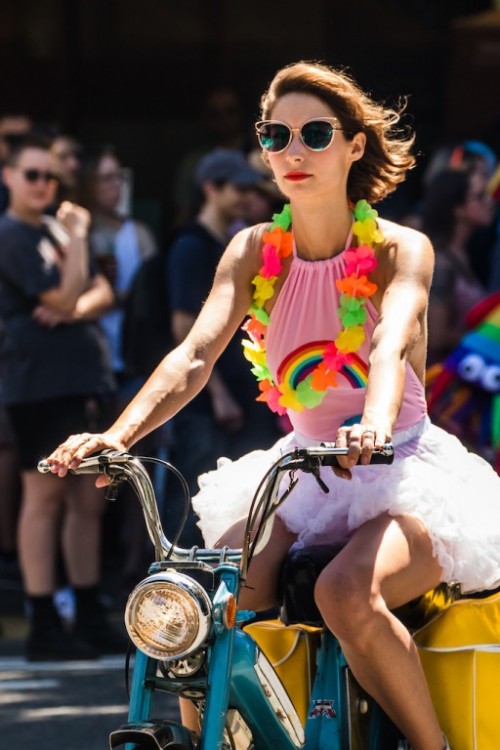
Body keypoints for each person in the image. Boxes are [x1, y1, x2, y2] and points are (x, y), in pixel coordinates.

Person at [45, 61, 500, 750]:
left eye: (316, 133)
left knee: (344, 593)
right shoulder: (253, 251)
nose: (293, 149)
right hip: (303, 473)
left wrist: (372, 426)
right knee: (195, 602)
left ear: (353, 146)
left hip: (403, 467)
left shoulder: (398, 249)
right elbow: (194, 356)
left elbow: (389, 343)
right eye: (275, 133)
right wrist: (117, 435)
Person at [0, 133, 127, 660]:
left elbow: (99, 292)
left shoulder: (54, 228)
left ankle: (88, 613)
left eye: (50, 176)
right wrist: (77, 242)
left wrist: (74, 307)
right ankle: (44, 620)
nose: (43, 185)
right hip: (37, 385)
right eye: (32, 175)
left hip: (81, 381)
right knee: (44, 498)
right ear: (8, 177)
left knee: (86, 500)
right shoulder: (11, 233)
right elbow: (68, 291)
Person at [165, 148, 282, 545]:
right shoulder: (191, 246)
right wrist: (218, 397)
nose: (248, 197)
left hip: (242, 391)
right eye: (239, 188)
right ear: (211, 189)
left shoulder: (236, 241)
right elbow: (184, 327)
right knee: (196, 498)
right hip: (203, 401)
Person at [421, 166, 494, 365]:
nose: (490, 202)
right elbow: (437, 337)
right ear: (458, 209)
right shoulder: (442, 263)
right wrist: (488, 340)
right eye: (480, 196)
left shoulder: (463, 255)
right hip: (441, 386)